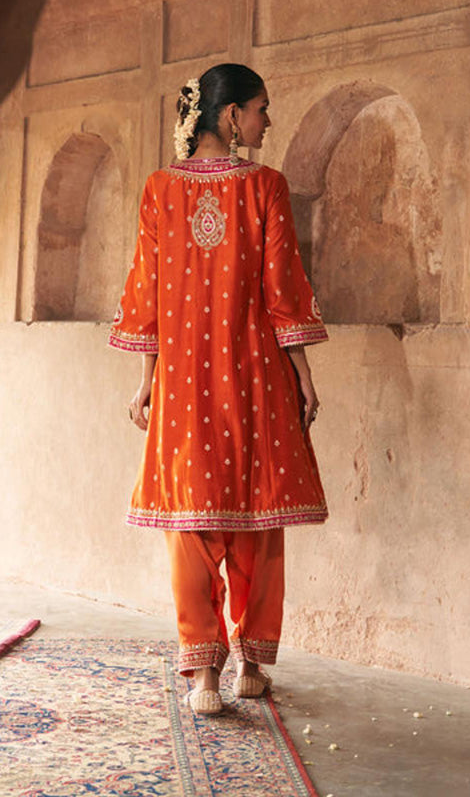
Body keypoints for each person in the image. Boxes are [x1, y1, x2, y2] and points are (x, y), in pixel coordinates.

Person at [108, 63, 329, 715]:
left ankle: (204, 675)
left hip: (183, 381)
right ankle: (250, 667)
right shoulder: (264, 186)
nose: (267, 121)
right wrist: (302, 376)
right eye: (261, 108)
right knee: (257, 518)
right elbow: (283, 290)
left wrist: (147, 383)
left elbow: (145, 295)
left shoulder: (160, 189)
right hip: (257, 376)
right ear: (231, 115)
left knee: (192, 519)